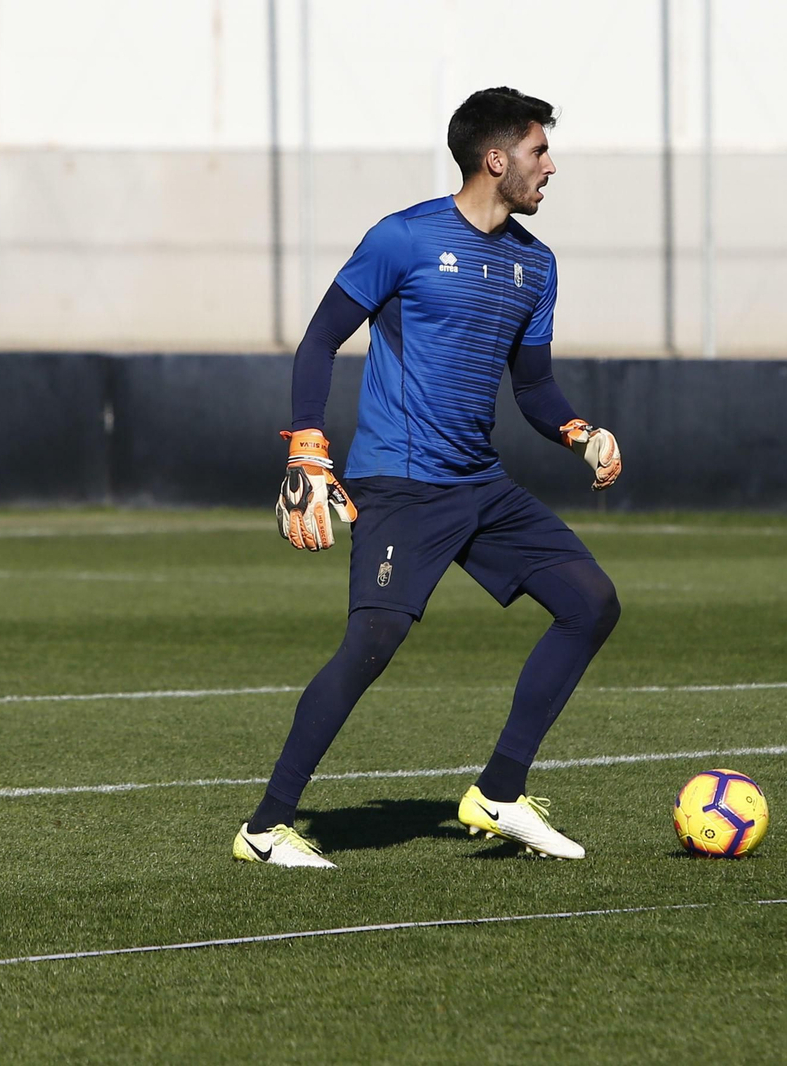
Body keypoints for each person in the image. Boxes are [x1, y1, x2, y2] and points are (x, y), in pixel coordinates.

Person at [232, 87, 623, 869]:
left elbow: (534, 389)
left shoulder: (535, 265)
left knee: (591, 604)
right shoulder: (403, 238)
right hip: (402, 485)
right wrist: (307, 447)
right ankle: (266, 829)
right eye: (540, 152)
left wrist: (580, 431)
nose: (552, 167)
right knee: (372, 641)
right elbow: (318, 341)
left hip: (480, 484)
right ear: (496, 158)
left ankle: (499, 794)